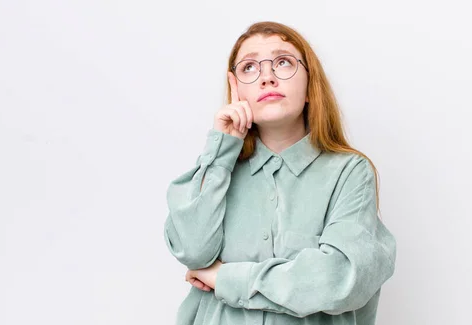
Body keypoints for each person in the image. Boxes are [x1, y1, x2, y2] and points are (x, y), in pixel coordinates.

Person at [164, 21, 397, 325]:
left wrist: (227, 278)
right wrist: (221, 150)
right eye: (249, 68)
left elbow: (341, 278)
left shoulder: (349, 173)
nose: (267, 78)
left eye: (283, 62)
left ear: (310, 86)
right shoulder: (219, 173)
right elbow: (192, 251)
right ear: (236, 90)